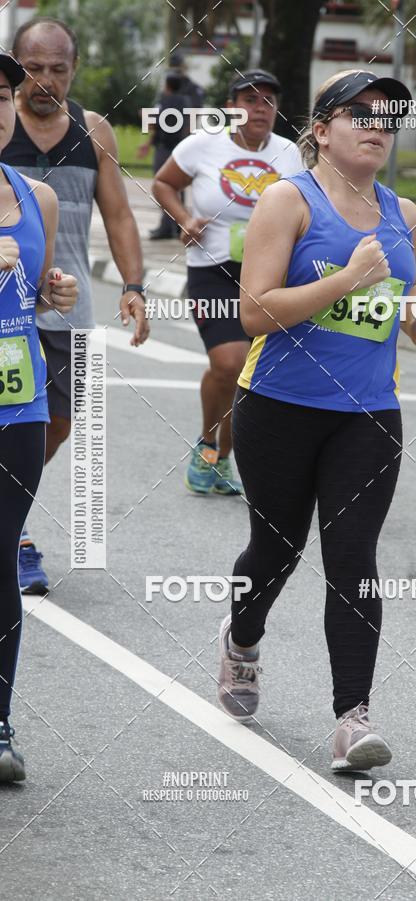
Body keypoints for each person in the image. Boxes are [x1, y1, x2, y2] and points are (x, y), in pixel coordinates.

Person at [216, 69, 416, 772]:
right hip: (280, 407)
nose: (377, 125)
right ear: (320, 129)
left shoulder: (402, 213)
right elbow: (255, 310)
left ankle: (353, 717)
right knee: (277, 548)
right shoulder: (287, 201)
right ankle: (242, 636)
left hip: (369, 415)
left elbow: (393, 299)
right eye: (359, 113)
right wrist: (347, 279)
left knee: (353, 561)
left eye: (389, 117)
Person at [4, 16, 150, 594]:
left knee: (58, 421)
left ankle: (8, 505)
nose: (45, 81)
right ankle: (13, 533)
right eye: (33, 69)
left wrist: (134, 286)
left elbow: (117, 213)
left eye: (57, 69)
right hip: (7, 308)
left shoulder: (94, 131)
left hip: (70, 305)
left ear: (74, 69)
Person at [153, 68, 303, 496]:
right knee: (228, 364)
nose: (260, 108)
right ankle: (206, 443)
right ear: (231, 108)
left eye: (269, 101)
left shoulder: (290, 154)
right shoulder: (203, 145)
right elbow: (163, 183)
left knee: (254, 375)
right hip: (213, 271)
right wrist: (185, 219)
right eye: (251, 100)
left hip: (271, 275)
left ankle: (224, 458)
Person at [0, 53, 78, 782]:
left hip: (15, 403)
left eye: (1, 96)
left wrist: (53, 290)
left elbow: (34, 298)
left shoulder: (35, 197)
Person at [138, 72, 191, 240]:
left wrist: (143, 115)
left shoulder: (163, 102)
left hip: (164, 149)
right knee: (179, 187)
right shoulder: (185, 102)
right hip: (181, 148)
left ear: (167, 85)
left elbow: (153, 123)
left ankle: (165, 227)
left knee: (163, 185)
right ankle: (179, 226)